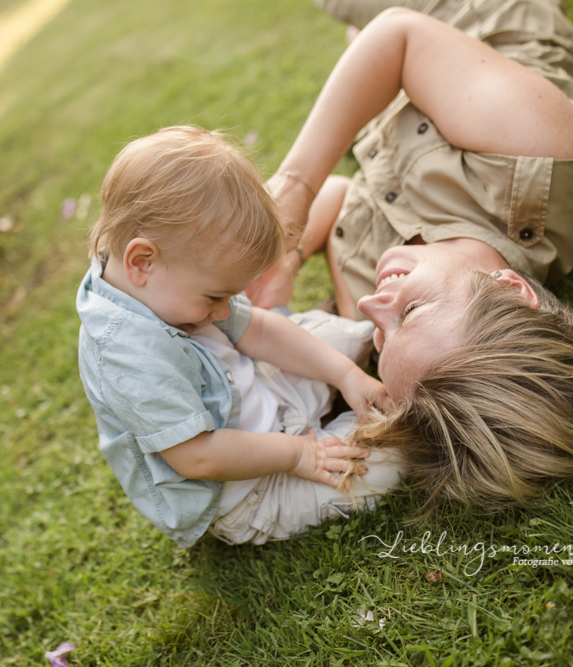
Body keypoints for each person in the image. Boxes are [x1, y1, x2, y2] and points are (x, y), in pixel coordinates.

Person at [247, 0, 573, 516]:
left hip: (390, 96)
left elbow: (342, 202)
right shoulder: (544, 163)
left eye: (382, 336)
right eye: (411, 312)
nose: (375, 305)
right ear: (512, 288)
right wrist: (293, 186)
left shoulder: (380, 319)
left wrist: (287, 261)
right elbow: (398, 36)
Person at [75, 126, 405, 548]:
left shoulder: (163, 278)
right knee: (389, 459)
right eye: (214, 297)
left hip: (267, 388)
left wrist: (345, 375)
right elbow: (198, 455)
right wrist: (300, 454)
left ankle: (356, 383)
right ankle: (346, 433)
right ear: (142, 262)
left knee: (346, 341)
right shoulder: (127, 355)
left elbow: (261, 330)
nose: (223, 310)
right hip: (253, 487)